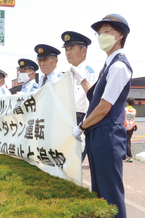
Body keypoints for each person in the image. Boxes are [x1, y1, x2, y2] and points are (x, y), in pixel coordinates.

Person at [72, 14, 132, 218]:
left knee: (110, 192)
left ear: (119, 36)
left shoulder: (119, 66)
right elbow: (95, 98)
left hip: (108, 135)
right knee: (99, 192)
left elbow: (104, 107)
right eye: (99, 33)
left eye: (107, 32)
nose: (101, 36)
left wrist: (81, 127)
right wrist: (82, 80)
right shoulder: (108, 67)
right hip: (98, 134)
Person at [61, 31, 98, 161]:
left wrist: (83, 131)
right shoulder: (67, 73)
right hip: (65, 121)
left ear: (83, 50)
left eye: (71, 48)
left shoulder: (89, 72)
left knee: (74, 166)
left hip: (79, 122)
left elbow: (93, 102)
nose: (67, 53)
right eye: (66, 49)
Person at [124, 97, 137, 162]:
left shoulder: (125, 109)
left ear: (127, 102)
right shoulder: (134, 110)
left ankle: (129, 156)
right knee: (128, 141)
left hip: (125, 126)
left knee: (126, 141)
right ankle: (126, 155)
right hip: (131, 126)